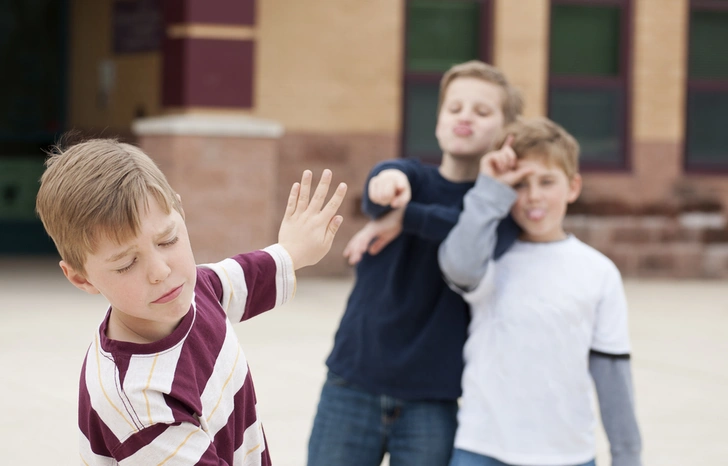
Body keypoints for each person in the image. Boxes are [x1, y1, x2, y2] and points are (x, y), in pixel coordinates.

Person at [34, 139, 347, 465]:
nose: (160, 270)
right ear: (81, 278)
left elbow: (247, 276)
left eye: (167, 240)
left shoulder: (195, 291)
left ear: (180, 212)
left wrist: (293, 250)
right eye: (126, 263)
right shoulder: (136, 400)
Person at [307, 61, 523, 466]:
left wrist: (407, 218)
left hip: (434, 398)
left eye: (482, 111)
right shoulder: (412, 178)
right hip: (353, 381)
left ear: (505, 131)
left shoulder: (497, 208)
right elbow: (381, 187)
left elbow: (476, 233)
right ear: (439, 121)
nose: (465, 117)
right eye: (454, 108)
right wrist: (386, 186)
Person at [439, 117, 642, 466]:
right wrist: (490, 188)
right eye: (520, 184)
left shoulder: (598, 272)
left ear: (573, 187)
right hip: (483, 448)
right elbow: (457, 266)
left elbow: (613, 375)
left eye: (547, 182)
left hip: (567, 454)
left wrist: (627, 457)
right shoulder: (489, 256)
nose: (533, 196)